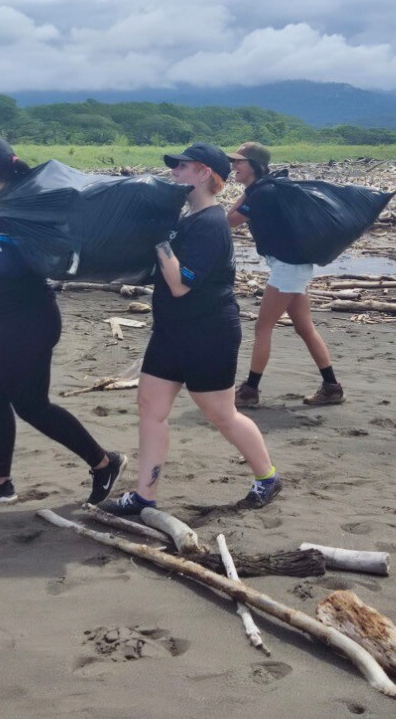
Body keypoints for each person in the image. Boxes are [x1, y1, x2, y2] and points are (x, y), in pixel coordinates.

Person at [99, 143, 282, 515]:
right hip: (171, 330)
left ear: (202, 173)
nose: (174, 173)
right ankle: (144, 495)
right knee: (150, 407)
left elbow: (181, 283)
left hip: (208, 332)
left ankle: (267, 477)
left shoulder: (212, 224)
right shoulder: (188, 219)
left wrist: (158, 239)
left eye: (181, 167)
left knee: (221, 414)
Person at [0, 136, 127, 503]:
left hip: (28, 322)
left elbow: (6, 263)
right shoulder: (1, 207)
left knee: (31, 404)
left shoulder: (16, 210)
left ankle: (104, 462)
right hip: (6, 321)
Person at [227, 142, 345, 408]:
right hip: (294, 264)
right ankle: (332, 387)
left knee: (262, 327)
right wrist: (247, 191)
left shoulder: (263, 193)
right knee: (304, 327)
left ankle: (249, 391)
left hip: (288, 266)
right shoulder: (261, 189)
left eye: (239, 162)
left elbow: (228, 221)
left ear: (254, 165)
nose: (233, 166)